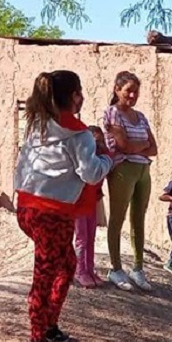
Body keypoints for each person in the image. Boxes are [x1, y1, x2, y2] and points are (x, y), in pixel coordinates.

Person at [14, 71, 113, 342]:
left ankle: (48, 326)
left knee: (66, 264)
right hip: (52, 214)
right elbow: (91, 172)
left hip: (27, 209)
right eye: (79, 91)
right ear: (74, 96)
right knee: (44, 277)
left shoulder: (37, 124)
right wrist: (107, 158)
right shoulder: (78, 136)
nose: (82, 96)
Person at [102, 71, 158, 291]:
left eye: (136, 91)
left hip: (143, 170)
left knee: (139, 218)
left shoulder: (141, 116)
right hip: (123, 170)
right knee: (117, 218)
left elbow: (154, 148)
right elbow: (122, 145)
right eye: (128, 91)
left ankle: (138, 267)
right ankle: (116, 268)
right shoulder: (112, 113)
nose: (132, 95)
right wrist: (141, 146)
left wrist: (140, 147)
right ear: (117, 90)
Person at [68, 124, 108, 289]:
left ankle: (89, 269)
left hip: (91, 204)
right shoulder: (81, 161)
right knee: (81, 239)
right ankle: (79, 271)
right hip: (78, 205)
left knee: (90, 237)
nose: (98, 146)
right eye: (94, 142)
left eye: (100, 142)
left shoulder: (100, 161)